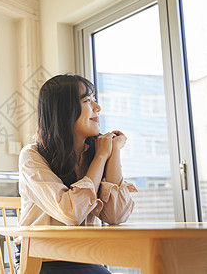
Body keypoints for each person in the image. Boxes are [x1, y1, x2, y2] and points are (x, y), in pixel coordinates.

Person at [15, 73, 137, 274]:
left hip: (84, 256)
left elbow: (116, 215)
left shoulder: (94, 151)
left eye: (94, 100)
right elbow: (71, 213)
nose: (98, 108)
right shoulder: (32, 155)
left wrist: (113, 152)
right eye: (87, 101)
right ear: (64, 111)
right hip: (42, 258)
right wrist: (101, 157)